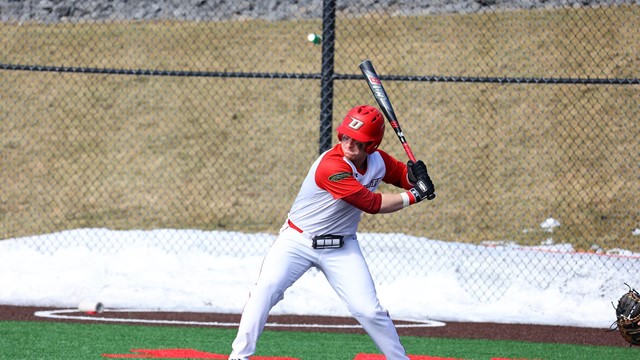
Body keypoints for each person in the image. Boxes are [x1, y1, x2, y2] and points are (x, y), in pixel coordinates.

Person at [228, 104, 435, 360]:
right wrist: (415, 195)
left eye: (357, 140)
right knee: (265, 290)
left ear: (371, 144)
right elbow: (371, 203)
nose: (349, 142)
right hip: (298, 241)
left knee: (370, 311)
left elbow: (401, 174)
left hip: (342, 247)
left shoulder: (378, 160)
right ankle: (239, 357)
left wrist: (415, 177)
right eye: (346, 135)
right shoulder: (331, 166)